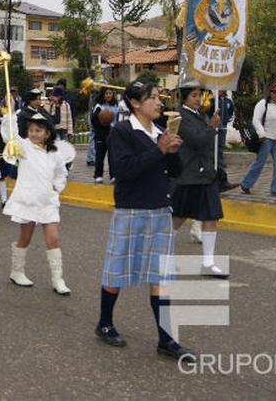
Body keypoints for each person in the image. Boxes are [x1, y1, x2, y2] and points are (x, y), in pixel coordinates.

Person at [95, 80, 193, 360]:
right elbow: (124, 171)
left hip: (161, 210)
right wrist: (158, 150)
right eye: (153, 98)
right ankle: (104, 323)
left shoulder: (160, 131)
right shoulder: (122, 132)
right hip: (131, 210)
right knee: (117, 271)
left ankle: (166, 338)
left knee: (160, 275)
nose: (159, 102)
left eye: (159, 97)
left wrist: (172, 152)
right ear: (136, 103)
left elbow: (173, 171)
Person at [2, 114, 71, 295]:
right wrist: (9, 115)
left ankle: (58, 279)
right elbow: (10, 136)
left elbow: (61, 173)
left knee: (53, 238)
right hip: (29, 200)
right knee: (25, 237)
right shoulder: (24, 147)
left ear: (47, 133)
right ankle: (17, 271)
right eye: (31, 130)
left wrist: (57, 187)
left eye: (38, 131)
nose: (33, 134)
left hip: (48, 201)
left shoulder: (55, 153)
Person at [170, 85, 228, 278]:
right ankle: (163, 256)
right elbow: (196, 140)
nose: (198, 99)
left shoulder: (199, 115)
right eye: (194, 96)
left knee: (211, 216)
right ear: (184, 98)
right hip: (189, 175)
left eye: (199, 96)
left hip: (206, 175)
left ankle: (209, 262)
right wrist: (212, 127)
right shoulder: (181, 116)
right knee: (178, 217)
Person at [240, 82, 276, 195]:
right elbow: (256, 120)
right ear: (270, 93)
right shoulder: (263, 104)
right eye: (275, 92)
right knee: (260, 162)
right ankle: (246, 184)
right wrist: (261, 134)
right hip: (266, 138)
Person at [91, 88, 120, 183]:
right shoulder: (99, 106)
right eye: (106, 93)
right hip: (101, 135)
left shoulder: (116, 106)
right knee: (100, 156)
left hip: (113, 135)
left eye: (110, 93)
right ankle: (98, 175)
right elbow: (94, 121)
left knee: (113, 157)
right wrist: (103, 123)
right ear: (103, 95)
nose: (108, 95)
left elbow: (118, 119)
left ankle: (113, 176)